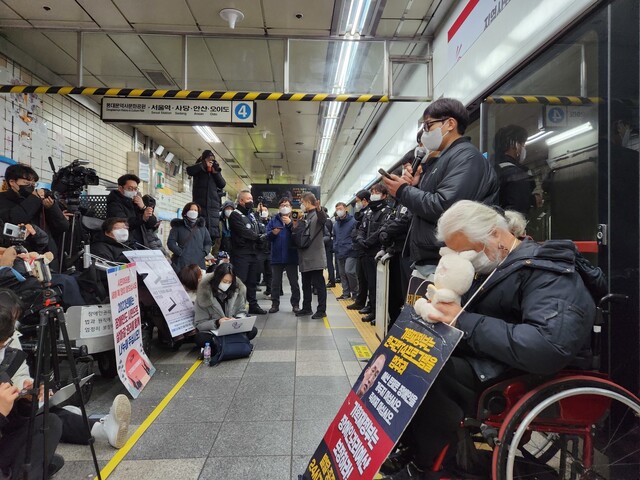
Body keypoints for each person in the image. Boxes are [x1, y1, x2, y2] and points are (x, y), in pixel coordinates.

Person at [383, 200, 596, 480]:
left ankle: (430, 467)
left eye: (467, 250)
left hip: (527, 370)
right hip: (494, 357)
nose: (464, 260)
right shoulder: (498, 265)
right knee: (406, 350)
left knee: (433, 372)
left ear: (495, 234)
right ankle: (413, 448)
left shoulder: (548, 273)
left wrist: (462, 321)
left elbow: (547, 344)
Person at [0, 289, 131, 479]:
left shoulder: (9, 337)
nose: (12, 328)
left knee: (49, 421)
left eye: (13, 321)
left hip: (11, 419)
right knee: (49, 420)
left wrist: (26, 391)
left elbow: (17, 374)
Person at [382, 98, 499, 282]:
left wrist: (403, 191)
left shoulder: (467, 158)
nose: (426, 132)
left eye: (429, 125)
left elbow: (445, 207)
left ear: (450, 123)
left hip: (450, 261)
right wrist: (414, 187)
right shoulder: (445, 160)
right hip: (434, 258)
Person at [0, 163, 69, 271]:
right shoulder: (3, 200)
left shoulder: (38, 200)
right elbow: (14, 218)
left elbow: (63, 226)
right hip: (21, 259)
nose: (31, 186)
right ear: (12, 182)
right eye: (27, 183)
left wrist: (51, 208)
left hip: (47, 256)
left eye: (34, 184)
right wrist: (34, 198)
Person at [193, 262, 257, 349]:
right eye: (224, 281)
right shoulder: (204, 294)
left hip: (233, 328)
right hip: (214, 331)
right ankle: (233, 342)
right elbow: (200, 324)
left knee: (253, 330)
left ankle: (222, 344)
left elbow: (241, 311)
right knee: (200, 338)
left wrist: (237, 320)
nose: (227, 284)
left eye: (229, 282)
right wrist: (217, 322)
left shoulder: (237, 290)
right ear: (217, 279)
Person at [355, 183, 394, 324]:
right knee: (369, 283)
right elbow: (361, 229)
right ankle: (371, 307)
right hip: (365, 252)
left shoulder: (387, 211)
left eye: (377, 192)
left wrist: (368, 242)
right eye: (372, 192)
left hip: (377, 252)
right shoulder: (369, 212)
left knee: (377, 286)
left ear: (384, 195)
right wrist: (360, 239)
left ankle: (378, 313)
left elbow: (382, 229)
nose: (373, 194)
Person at [227, 191, 267, 315]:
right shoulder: (235, 215)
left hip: (253, 253)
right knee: (240, 282)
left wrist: (261, 237)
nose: (251, 201)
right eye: (248, 199)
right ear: (241, 201)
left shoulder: (252, 215)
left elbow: (258, 228)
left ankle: (253, 305)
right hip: (241, 254)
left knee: (252, 282)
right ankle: (238, 308)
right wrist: (258, 237)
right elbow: (243, 231)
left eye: (251, 198)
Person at [294, 193, 327, 319]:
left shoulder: (317, 215)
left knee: (319, 284)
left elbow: (323, 219)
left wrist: (319, 209)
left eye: (302, 202)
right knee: (305, 283)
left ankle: (321, 310)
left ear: (307, 202)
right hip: (304, 257)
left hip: (315, 257)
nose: (301, 205)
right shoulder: (306, 217)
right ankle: (307, 307)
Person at [265, 197, 301, 314]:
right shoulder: (273, 220)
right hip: (276, 256)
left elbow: (299, 234)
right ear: (279, 207)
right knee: (275, 283)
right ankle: (275, 304)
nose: (284, 207)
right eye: (282, 205)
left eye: (287, 205)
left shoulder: (296, 219)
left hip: (291, 256)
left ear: (291, 207)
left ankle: (295, 304)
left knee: (294, 283)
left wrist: (290, 224)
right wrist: (273, 233)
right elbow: (267, 236)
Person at [493, 125, 539, 214]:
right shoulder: (516, 175)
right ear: (515, 145)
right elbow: (517, 211)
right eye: (523, 144)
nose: (524, 148)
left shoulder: (492, 170)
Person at [106, 174, 158, 248]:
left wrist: (143, 207)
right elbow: (123, 224)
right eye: (130, 188)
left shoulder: (136, 203)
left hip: (141, 244)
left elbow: (152, 224)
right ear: (120, 188)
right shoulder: (114, 204)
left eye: (136, 189)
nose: (133, 191)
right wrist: (142, 218)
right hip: (124, 245)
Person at [186, 150, 226, 245]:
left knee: (210, 239)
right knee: (199, 237)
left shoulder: (214, 171)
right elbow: (189, 170)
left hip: (213, 210)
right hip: (200, 207)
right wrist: (203, 165)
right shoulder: (198, 169)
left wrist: (215, 171)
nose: (210, 162)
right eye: (208, 160)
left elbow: (222, 184)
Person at [168, 202, 212, 272]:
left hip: (198, 263)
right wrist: (180, 252)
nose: (194, 212)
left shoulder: (202, 228)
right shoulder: (178, 226)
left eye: (196, 210)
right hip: (182, 263)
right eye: (191, 210)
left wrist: (204, 252)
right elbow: (171, 242)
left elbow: (208, 242)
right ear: (185, 212)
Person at [347, 190, 371, 312]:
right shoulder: (362, 213)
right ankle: (360, 301)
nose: (356, 204)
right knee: (361, 277)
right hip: (360, 249)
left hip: (367, 249)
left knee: (369, 279)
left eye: (357, 201)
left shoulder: (370, 212)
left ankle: (369, 304)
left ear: (364, 200)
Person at [333, 202, 358, 301]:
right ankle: (346, 293)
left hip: (351, 252)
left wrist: (351, 246)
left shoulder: (353, 222)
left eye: (340, 208)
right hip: (339, 251)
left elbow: (356, 236)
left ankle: (355, 293)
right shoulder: (336, 224)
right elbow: (334, 236)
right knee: (342, 273)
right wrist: (335, 246)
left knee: (349, 271)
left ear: (346, 209)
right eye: (337, 209)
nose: (339, 211)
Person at [256, 203, 272, 297]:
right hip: (260, 250)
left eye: (266, 210)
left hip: (269, 251)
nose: (264, 212)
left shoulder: (271, 222)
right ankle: (254, 288)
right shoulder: (257, 222)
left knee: (269, 272)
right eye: (263, 210)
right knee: (257, 270)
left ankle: (269, 290)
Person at [323, 207, 336, 288]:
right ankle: (332, 279)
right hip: (330, 244)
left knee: (329, 263)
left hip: (325, 245)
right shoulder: (330, 221)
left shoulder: (325, 221)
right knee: (329, 262)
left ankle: (332, 280)